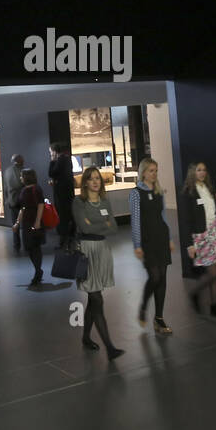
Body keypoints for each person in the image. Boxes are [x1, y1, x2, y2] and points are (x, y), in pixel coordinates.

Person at [72, 166, 124, 360]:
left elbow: (115, 228)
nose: (95, 182)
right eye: (91, 178)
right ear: (85, 182)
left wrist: (97, 227)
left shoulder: (105, 202)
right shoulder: (78, 202)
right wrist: (104, 225)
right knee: (97, 299)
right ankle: (110, 347)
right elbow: (84, 228)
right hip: (87, 252)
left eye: (98, 179)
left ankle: (85, 336)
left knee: (94, 299)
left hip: (102, 251)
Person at [131, 157, 175, 334]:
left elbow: (164, 217)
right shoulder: (135, 193)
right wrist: (137, 244)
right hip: (147, 241)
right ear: (143, 172)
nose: (154, 174)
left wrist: (170, 238)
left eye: (156, 170)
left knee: (162, 278)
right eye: (151, 170)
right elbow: (135, 221)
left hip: (161, 239)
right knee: (155, 277)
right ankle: (143, 306)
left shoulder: (158, 191)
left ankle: (159, 318)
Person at [181, 161, 216, 317]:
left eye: (204, 170)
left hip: (214, 231)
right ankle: (195, 293)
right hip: (201, 235)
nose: (202, 173)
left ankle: (215, 305)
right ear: (193, 172)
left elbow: (211, 209)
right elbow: (186, 221)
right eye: (199, 170)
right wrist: (190, 245)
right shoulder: (189, 193)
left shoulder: (209, 188)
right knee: (212, 273)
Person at [12, 167, 47, 288]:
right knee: (29, 247)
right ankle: (38, 270)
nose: (20, 178)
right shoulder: (23, 190)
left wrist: (37, 221)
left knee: (35, 247)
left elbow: (41, 205)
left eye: (22, 176)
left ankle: (38, 272)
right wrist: (17, 222)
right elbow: (22, 208)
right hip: (26, 223)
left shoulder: (36, 189)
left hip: (34, 221)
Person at [47, 143, 76, 250]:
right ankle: (69, 238)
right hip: (67, 192)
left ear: (54, 151)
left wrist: (52, 160)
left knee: (63, 216)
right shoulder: (67, 159)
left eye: (51, 152)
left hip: (62, 194)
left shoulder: (60, 160)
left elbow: (51, 173)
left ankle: (64, 241)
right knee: (67, 215)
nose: (50, 154)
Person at [3, 154, 26, 254]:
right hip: (23, 201)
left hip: (12, 201)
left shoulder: (7, 171)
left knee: (15, 224)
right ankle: (26, 244)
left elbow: (5, 188)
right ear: (19, 160)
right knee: (25, 225)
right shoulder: (24, 171)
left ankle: (16, 245)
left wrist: (7, 199)